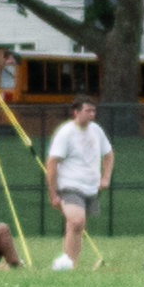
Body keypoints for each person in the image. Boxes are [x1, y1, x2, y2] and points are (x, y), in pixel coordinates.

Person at [43, 99, 114, 271]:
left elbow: (109, 154)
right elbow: (52, 163)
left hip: (90, 187)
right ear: (76, 112)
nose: (92, 114)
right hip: (70, 185)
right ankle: (66, 262)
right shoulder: (66, 132)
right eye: (88, 111)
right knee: (76, 221)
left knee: (77, 227)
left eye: (93, 111)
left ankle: (70, 264)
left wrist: (105, 177)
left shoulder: (96, 130)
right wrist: (53, 194)